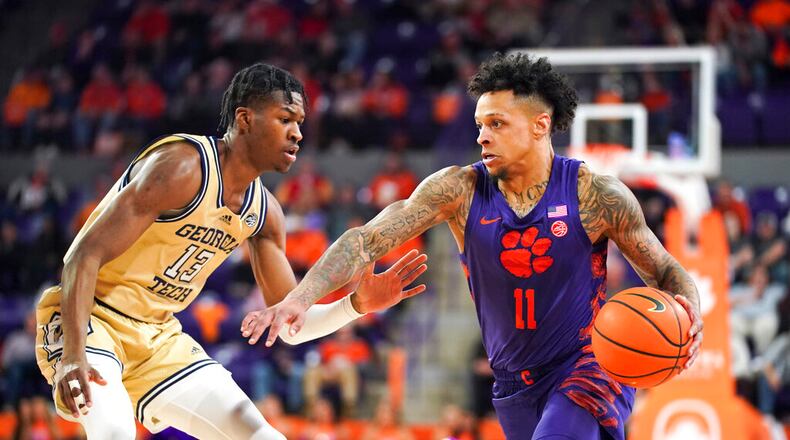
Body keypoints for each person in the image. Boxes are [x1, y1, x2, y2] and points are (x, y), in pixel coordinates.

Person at [243, 53, 704, 440]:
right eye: (480, 124)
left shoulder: (595, 195)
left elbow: (666, 271)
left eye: (497, 123)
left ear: (541, 125)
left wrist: (691, 316)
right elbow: (365, 241)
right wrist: (299, 299)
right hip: (512, 386)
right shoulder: (458, 190)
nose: (482, 135)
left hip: (587, 367)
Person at [35, 63, 428, 439]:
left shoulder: (265, 213)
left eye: (300, 124)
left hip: (157, 336)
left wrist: (354, 307)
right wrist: (72, 352)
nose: (297, 134)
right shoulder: (181, 167)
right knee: (114, 430)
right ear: (245, 119)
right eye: (285, 119)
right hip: (92, 318)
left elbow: (288, 324)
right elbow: (81, 256)